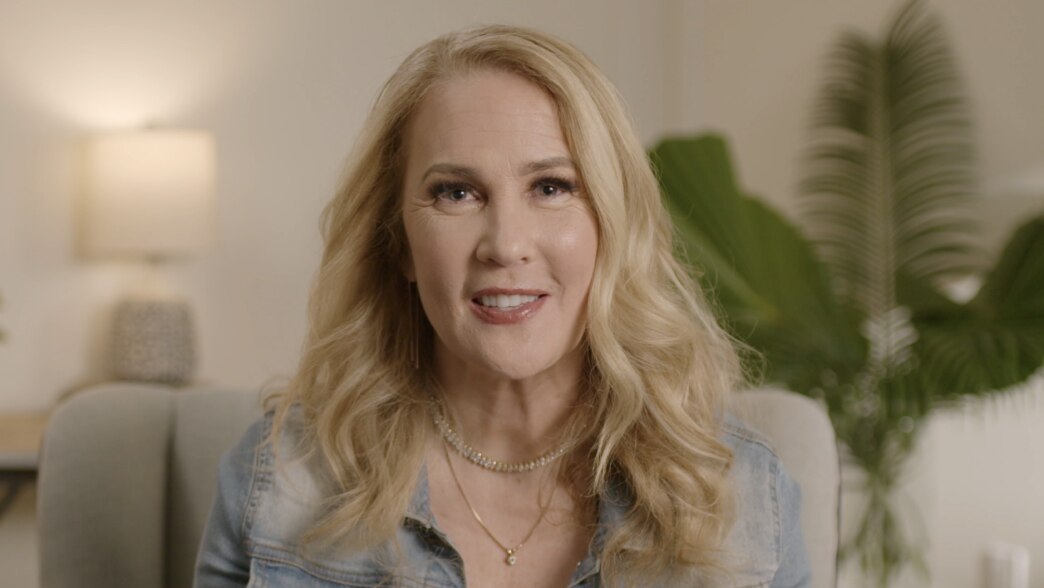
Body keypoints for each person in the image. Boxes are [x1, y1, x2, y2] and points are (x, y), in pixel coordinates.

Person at [195, 25, 810, 588]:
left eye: (551, 187)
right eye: (456, 193)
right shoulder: (278, 480)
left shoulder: (745, 499)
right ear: (400, 245)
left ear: (612, 229)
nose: (506, 245)